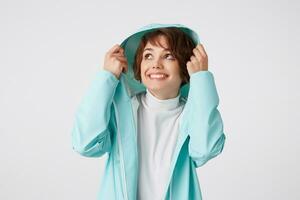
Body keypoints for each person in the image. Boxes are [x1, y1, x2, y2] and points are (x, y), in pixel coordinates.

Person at [71, 23, 226, 200]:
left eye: (168, 56)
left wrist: (201, 78)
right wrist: (106, 77)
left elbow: (206, 149)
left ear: (186, 67)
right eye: (148, 56)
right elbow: (85, 144)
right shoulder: (122, 112)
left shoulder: (193, 116)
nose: (156, 64)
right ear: (139, 65)